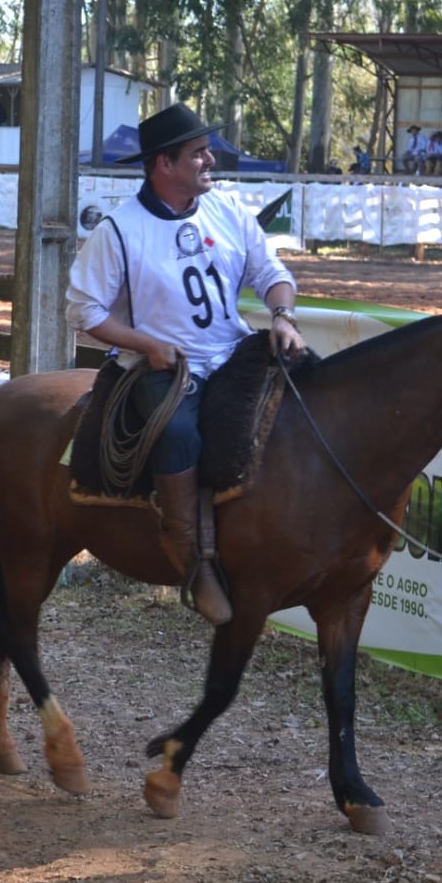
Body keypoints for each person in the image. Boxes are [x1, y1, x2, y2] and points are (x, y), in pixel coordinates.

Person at [65, 103, 305, 626]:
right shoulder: (120, 230)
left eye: (206, 150)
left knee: (305, 383)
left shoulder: (229, 211)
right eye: (197, 153)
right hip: (162, 367)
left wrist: (283, 316)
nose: (210, 159)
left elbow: (271, 272)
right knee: (177, 434)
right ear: (163, 164)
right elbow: (84, 313)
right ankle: (195, 565)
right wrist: (146, 344)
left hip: (232, 350)